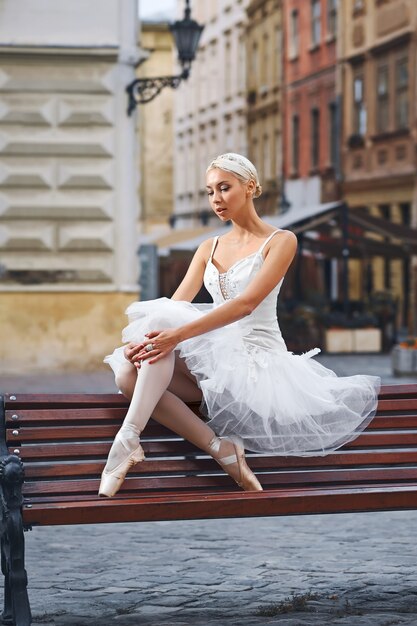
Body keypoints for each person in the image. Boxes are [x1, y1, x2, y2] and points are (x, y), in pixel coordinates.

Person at [99, 152, 381, 498]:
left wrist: (174, 337)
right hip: (214, 361)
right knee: (128, 371)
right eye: (209, 191)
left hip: (255, 367)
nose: (216, 199)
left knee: (152, 351)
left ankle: (128, 438)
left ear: (250, 187)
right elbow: (175, 306)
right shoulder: (208, 246)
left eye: (224, 188)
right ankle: (217, 449)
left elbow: (246, 305)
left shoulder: (281, 241)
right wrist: (147, 340)